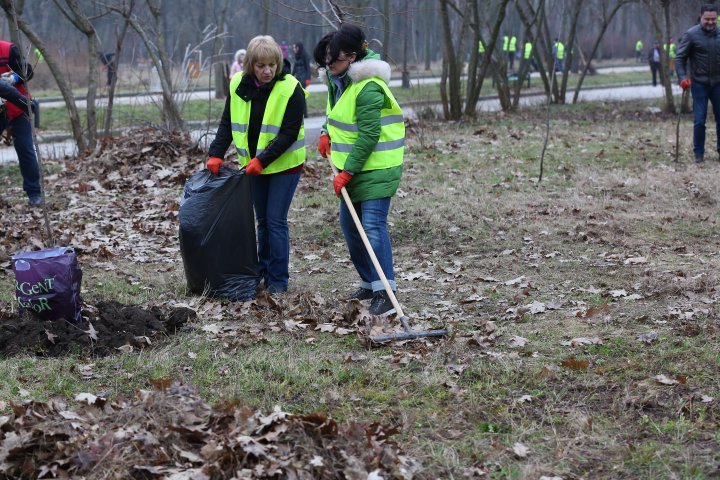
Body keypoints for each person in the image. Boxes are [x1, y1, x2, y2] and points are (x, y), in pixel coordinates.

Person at [313, 24, 405, 316]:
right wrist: (327, 131)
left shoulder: (369, 87)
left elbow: (368, 135)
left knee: (373, 228)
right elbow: (337, 113)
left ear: (352, 57)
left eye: (334, 61)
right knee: (351, 229)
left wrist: (346, 172)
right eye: (326, 62)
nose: (329, 67)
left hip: (377, 169)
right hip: (353, 170)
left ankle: (386, 292)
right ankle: (370, 282)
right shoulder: (339, 80)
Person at [206, 35, 308, 294]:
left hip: (284, 166)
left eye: (272, 65)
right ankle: (262, 271)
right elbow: (228, 122)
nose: (267, 71)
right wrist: (216, 153)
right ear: (250, 64)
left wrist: (261, 161)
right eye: (261, 65)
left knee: (275, 220)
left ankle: (278, 281)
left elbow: (288, 134)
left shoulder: (291, 89)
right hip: (254, 167)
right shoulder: (238, 85)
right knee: (262, 221)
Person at [0, 39, 42, 206]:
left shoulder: (7, 49)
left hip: (19, 108)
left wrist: (14, 78)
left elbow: (28, 71)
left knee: (25, 148)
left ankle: (34, 193)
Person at [677, 4, 720, 164]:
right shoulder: (691, 34)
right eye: (707, 19)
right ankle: (699, 154)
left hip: (718, 85)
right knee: (700, 120)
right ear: (700, 17)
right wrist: (682, 77)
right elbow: (680, 58)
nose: (710, 22)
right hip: (699, 84)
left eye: (713, 19)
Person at [291, 42, 312, 117]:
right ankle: (301, 113)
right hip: (298, 79)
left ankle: (305, 114)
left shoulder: (305, 56)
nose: (294, 49)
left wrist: (308, 79)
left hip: (303, 79)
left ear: (298, 48)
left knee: (301, 96)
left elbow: (308, 68)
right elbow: (295, 68)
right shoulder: (297, 56)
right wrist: (290, 76)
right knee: (298, 96)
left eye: (295, 48)